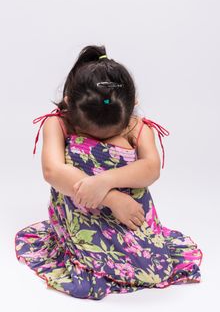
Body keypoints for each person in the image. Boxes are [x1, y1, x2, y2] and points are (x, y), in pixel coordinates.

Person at [15, 45, 203, 300]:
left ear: (132, 107)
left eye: (112, 132)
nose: (99, 138)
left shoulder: (135, 126)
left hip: (129, 212)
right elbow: (53, 171)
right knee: (94, 266)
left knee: (155, 267)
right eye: (89, 131)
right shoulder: (58, 122)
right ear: (69, 105)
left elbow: (151, 168)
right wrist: (109, 198)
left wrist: (106, 181)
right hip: (81, 212)